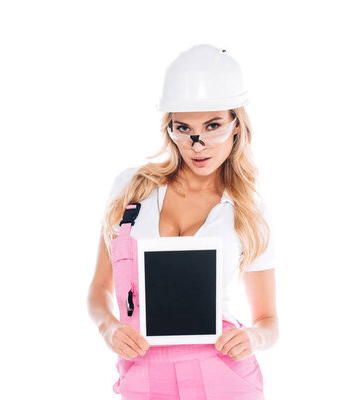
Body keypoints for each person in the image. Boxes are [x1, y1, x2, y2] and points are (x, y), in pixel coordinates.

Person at [87, 44, 279, 400]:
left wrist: (251, 338)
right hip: (143, 373)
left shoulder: (247, 209)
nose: (198, 144)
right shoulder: (131, 190)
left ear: (236, 126)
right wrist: (109, 329)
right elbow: (99, 288)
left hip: (224, 375)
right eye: (184, 127)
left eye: (213, 125)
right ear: (170, 128)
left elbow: (269, 322)